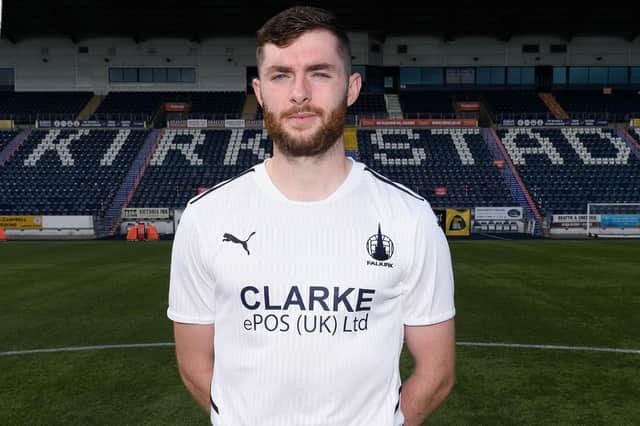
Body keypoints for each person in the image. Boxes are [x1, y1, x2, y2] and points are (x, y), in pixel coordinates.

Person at [168, 6, 456, 426]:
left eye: (320, 73)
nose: (299, 92)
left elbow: (437, 373)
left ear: (351, 87)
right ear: (259, 90)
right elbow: (194, 366)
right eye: (281, 75)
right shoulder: (206, 217)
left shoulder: (408, 218)